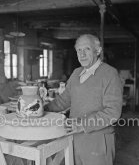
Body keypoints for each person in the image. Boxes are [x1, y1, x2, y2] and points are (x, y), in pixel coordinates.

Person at [45, 34, 123, 165]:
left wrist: (82, 125)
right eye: (78, 50)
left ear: (98, 51)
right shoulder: (76, 73)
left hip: (97, 141)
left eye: (86, 49)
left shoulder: (110, 74)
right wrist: (42, 108)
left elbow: (113, 112)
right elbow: (63, 100)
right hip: (74, 137)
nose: (82, 54)